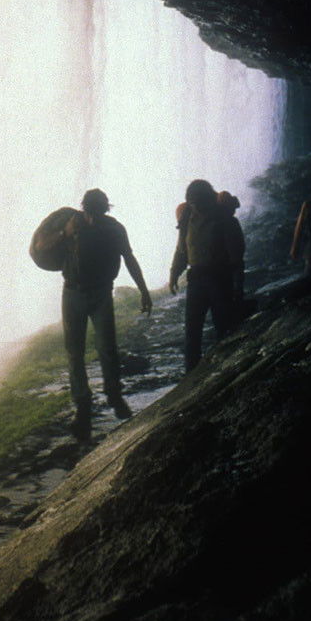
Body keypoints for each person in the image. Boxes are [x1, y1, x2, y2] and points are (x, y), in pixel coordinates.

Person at [34, 188, 153, 440]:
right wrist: (63, 234)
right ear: (84, 208)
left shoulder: (114, 229)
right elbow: (40, 247)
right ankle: (82, 405)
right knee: (74, 351)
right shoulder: (70, 225)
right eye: (89, 213)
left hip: (101, 293)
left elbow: (129, 258)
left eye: (97, 214)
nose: (92, 219)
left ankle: (114, 394)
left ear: (105, 210)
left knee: (106, 346)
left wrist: (144, 290)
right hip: (73, 293)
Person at [169, 179, 245, 373]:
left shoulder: (225, 219)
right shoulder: (187, 218)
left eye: (198, 203)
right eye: (193, 204)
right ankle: (190, 374)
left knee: (224, 329)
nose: (196, 207)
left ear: (208, 200)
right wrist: (174, 274)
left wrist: (238, 287)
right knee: (192, 332)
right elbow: (181, 250)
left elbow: (236, 256)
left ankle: (227, 372)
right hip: (196, 279)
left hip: (220, 278)